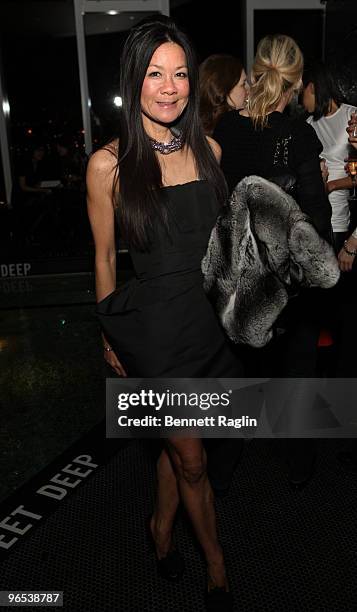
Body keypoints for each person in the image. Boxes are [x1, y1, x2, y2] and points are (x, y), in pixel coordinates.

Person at [87, 15, 242, 610]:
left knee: (182, 449)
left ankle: (159, 526)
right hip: (155, 333)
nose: (171, 86)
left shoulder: (212, 150)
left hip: (208, 326)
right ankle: (218, 569)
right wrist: (110, 336)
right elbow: (103, 257)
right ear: (135, 77)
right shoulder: (109, 166)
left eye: (180, 73)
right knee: (194, 461)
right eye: (156, 73)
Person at [213, 34, 333, 488]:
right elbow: (316, 226)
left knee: (239, 372)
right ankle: (299, 467)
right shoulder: (299, 135)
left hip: (240, 279)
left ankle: (225, 465)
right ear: (296, 79)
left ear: (258, 70)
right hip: (287, 286)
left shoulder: (225, 129)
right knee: (296, 374)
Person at [302, 60, 357, 253]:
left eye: (303, 91)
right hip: (311, 220)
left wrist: (332, 185)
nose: (301, 100)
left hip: (337, 222)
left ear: (312, 87)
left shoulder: (352, 116)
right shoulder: (308, 124)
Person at [199, 54, 248, 135]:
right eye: (243, 84)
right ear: (223, 90)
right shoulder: (234, 132)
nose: (249, 89)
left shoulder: (196, 129)